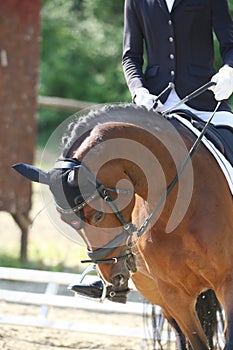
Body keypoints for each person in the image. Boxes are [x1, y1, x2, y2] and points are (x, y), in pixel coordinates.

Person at [122, 0, 233, 129]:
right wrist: (138, 90)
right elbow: (131, 57)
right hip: (154, 103)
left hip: (204, 102)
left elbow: (230, 44)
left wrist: (229, 70)